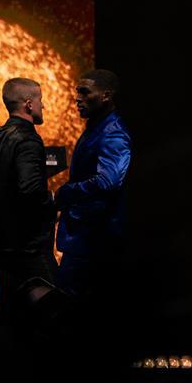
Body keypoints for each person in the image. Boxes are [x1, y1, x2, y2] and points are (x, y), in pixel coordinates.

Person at [0, 78, 57, 325]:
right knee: (51, 315)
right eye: (41, 100)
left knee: (12, 318)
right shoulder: (28, 140)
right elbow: (30, 190)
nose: (44, 106)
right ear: (29, 104)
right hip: (29, 248)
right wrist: (53, 202)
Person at [55, 69, 131, 299]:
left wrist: (67, 192)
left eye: (85, 92)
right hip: (86, 236)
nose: (77, 98)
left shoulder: (112, 133)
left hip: (95, 238)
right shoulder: (98, 127)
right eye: (77, 91)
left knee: (69, 304)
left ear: (106, 95)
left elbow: (109, 180)